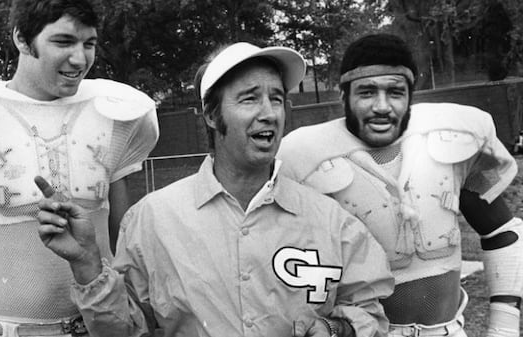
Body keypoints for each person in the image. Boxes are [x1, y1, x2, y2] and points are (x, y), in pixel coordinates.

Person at [35, 42, 395, 337]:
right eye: (250, 98)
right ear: (211, 114)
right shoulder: (152, 220)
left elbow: (371, 314)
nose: (269, 113)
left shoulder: (334, 223)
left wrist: (337, 328)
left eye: (276, 98)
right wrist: (86, 263)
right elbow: (124, 331)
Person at [0, 0, 158, 336]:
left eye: (89, 44)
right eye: (63, 42)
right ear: (21, 38)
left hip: (98, 327)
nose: (80, 59)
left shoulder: (115, 119)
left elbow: (127, 248)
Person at [278, 33, 523, 337]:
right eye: (366, 92)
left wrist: (505, 327)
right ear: (343, 98)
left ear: (410, 97)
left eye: (395, 92)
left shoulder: (450, 136)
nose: (382, 106)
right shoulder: (304, 157)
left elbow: (502, 231)